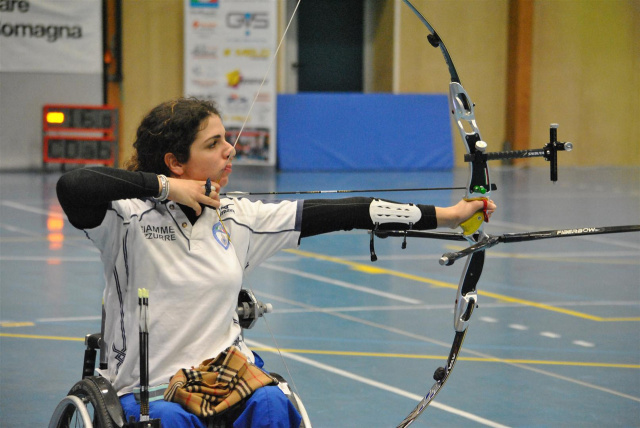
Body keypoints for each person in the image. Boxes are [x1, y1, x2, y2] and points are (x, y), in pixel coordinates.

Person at [56, 97, 496, 427]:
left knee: (270, 404)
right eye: (214, 144)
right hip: (148, 391)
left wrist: (452, 215)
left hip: (227, 379)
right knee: (169, 423)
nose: (230, 150)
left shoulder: (239, 217)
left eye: (227, 139)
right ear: (174, 161)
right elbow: (74, 185)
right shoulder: (125, 218)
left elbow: (351, 211)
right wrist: (169, 188)